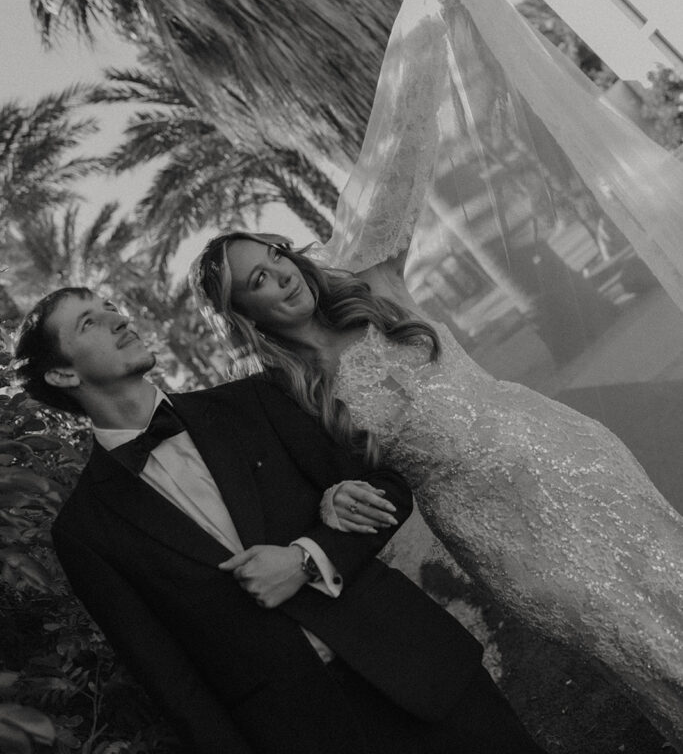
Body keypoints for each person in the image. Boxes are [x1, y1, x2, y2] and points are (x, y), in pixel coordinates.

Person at [192, 0, 683, 750]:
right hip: (503, 537)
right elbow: (321, 484)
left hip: (572, 457)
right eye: (254, 281)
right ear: (247, 313)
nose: (275, 274)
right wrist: (325, 503)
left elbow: (399, 151)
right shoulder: (294, 393)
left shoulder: (376, 286)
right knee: (635, 641)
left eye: (272, 255)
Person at [13, 286, 548, 754]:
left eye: (111, 306)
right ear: (62, 372)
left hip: (415, 667)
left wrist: (308, 559)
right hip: (306, 733)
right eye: (90, 322)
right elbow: (172, 684)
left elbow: (385, 486)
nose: (119, 318)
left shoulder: (255, 399)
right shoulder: (84, 530)